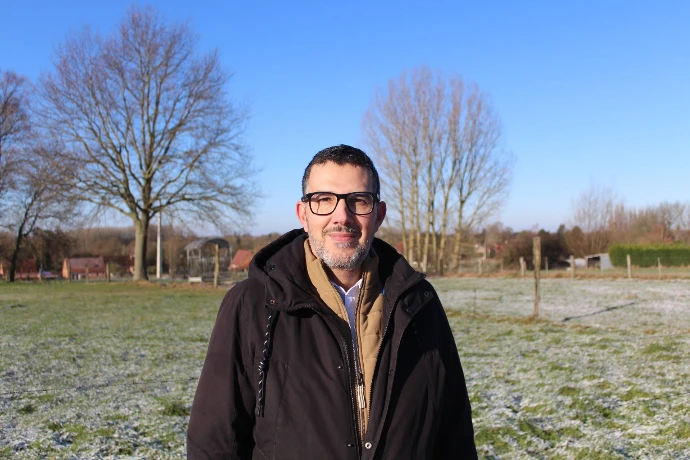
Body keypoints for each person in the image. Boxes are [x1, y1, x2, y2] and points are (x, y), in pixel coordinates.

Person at [187, 145, 476, 459]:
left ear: (379, 215)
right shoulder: (251, 305)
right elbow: (215, 441)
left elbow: (454, 432)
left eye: (359, 201)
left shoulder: (419, 304)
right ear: (303, 214)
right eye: (324, 200)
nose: (342, 216)